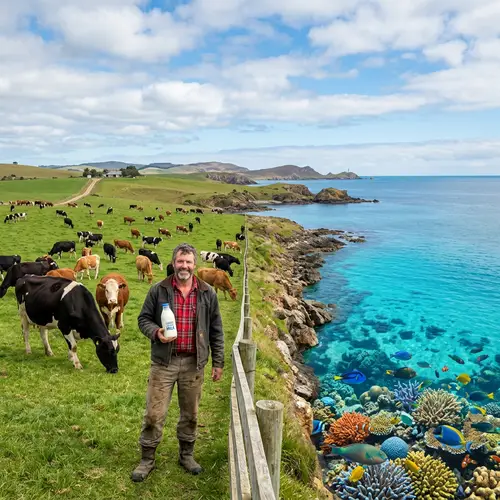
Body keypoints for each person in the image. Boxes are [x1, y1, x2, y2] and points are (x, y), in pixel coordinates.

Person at [131, 243, 224, 482]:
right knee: (154, 413)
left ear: (195, 265)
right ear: (173, 263)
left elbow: (216, 329)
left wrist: (218, 362)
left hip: (194, 363)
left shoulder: (207, 292)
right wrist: (156, 332)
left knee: (191, 414)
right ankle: (147, 459)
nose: (184, 266)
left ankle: (186, 455)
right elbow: (143, 319)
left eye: (189, 262)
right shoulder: (158, 290)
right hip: (164, 362)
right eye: (180, 262)